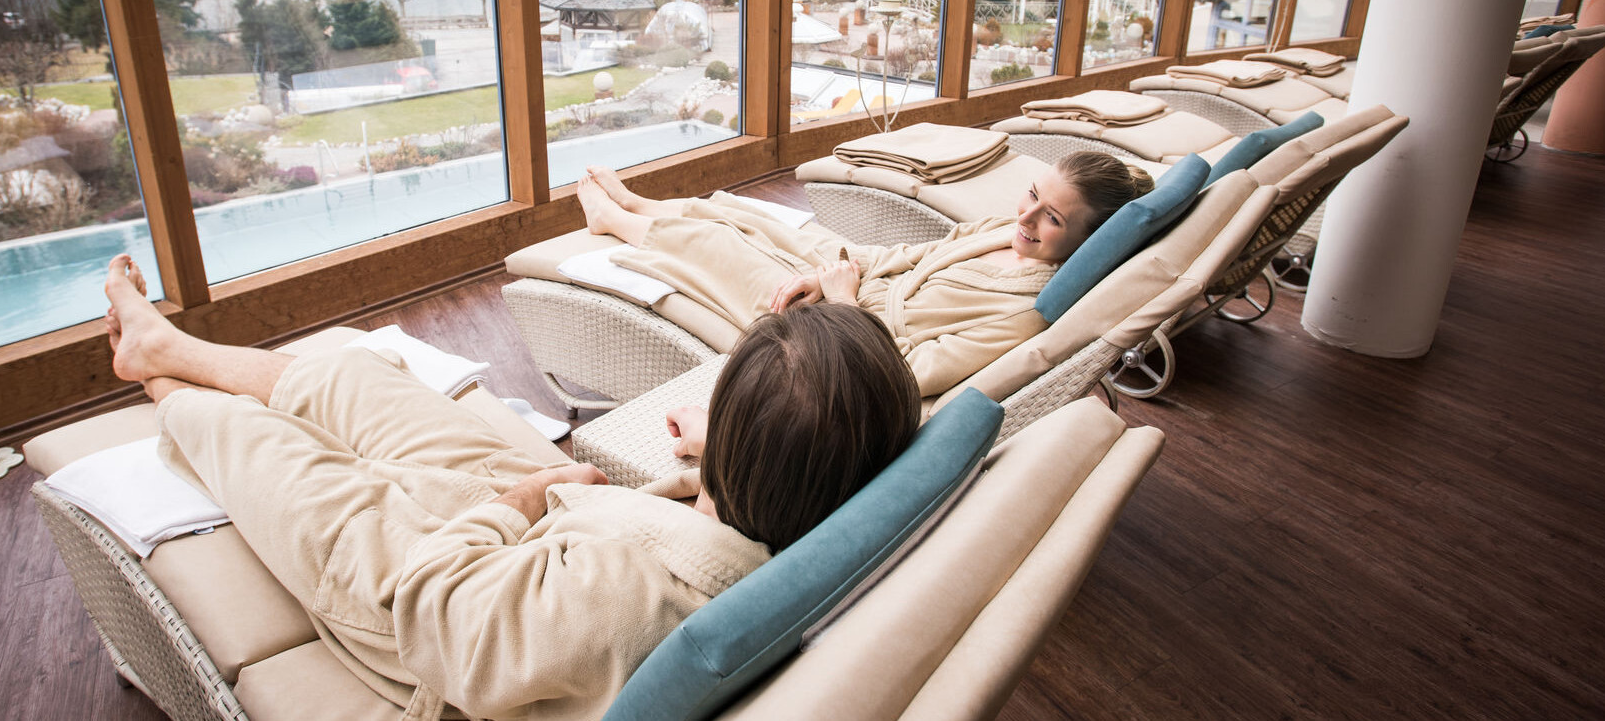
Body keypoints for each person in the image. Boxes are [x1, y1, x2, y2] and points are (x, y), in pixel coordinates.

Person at [100, 254, 918, 721]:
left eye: (724, 404)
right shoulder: (801, 508)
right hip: (556, 523)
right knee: (354, 377)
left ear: (744, 455)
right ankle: (165, 343)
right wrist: (701, 466)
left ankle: (158, 382)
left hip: (424, 592)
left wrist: (516, 505)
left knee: (260, 445)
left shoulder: (633, 598)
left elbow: (445, 618)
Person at [576, 152, 1154, 397]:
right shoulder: (1005, 231)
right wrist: (844, 269)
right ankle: (641, 206)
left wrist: (843, 302)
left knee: (719, 247)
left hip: (843, 343)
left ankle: (613, 222)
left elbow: (908, 374)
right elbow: (911, 253)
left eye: (1049, 218)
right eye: (1030, 195)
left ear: (1088, 241)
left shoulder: (1024, 313)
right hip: (857, 285)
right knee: (753, 217)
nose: (1023, 218)